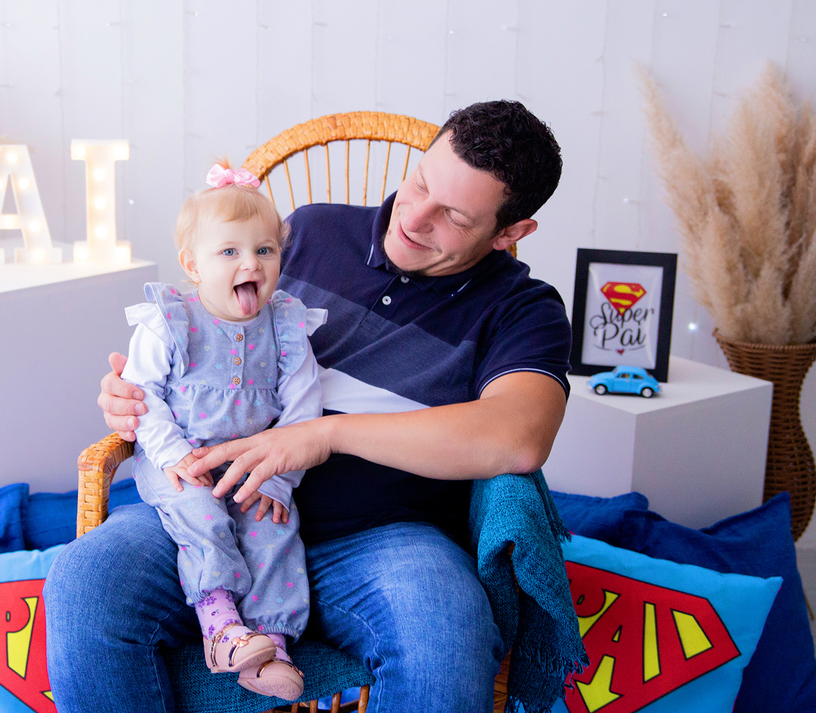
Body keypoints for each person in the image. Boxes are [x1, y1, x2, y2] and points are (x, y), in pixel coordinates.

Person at [45, 100, 573, 711]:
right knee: (86, 584)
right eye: (421, 182)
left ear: (510, 233)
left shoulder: (523, 309)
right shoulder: (312, 231)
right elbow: (202, 331)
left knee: (447, 633)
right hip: (216, 505)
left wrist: (324, 436)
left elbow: (517, 436)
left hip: (379, 542)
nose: (414, 217)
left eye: (453, 215)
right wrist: (135, 394)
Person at [121, 163, 326, 701]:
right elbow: (142, 396)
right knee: (203, 515)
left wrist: (277, 478)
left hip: (257, 464)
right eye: (229, 251)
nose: (250, 263)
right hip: (181, 459)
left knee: (274, 528)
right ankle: (222, 628)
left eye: (265, 250)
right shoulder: (170, 320)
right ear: (193, 264)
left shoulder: (286, 324)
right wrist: (173, 455)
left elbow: (304, 409)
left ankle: (271, 645)